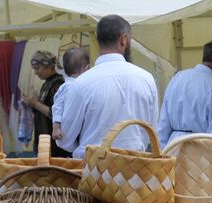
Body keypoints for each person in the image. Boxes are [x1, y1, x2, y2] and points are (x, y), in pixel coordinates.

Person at [56, 14, 158, 158]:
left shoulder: (80, 84)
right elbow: (151, 130)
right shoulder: (147, 79)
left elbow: (64, 140)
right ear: (123, 39)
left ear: (98, 39)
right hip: (136, 169)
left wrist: (86, 145)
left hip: (94, 171)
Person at [158, 39, 212, 171]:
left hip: (171, 153)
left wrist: (163, 156)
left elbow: (163, 125)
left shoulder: (177, 78)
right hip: (199, 160)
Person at [20, 51, 67, 157]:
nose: (36, 72)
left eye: (37, 68)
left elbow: (57, 113)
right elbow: (44, 109)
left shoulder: (58, 84)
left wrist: (35, 104)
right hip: (44, 139)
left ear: (48, 66)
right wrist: (33, 104)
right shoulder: (47, 83)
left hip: (54, 142)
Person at [51, 47, 90, 143]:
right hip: (68, 131)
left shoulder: (75, 85)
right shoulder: (67, 87)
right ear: (87, 68)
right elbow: (57, 106)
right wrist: (56, 127)